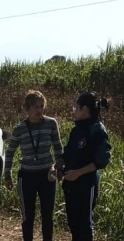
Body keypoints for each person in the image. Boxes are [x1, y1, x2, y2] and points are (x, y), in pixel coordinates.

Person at [4, 90, 63, 241]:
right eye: (35, 107)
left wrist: (59, 169)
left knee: (47, 215)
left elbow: (58, 148)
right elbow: (10, 152)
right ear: (27, 108)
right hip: (27, 176)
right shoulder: (19, 129)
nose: (39, 110)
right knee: (27, 216)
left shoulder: (51, 124)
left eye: (41, 106)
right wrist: (7, 175)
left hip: (47, 175)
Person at [55, 92, 112, 241]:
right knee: (73, 224)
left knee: (84, 226)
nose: (73, 110)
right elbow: (68, 153)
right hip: (70, 185)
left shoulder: (97, 130)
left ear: (85, 109)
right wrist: (59, 166)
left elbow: (102, 160)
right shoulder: (77, 129)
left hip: (86, 185)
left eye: (76, 107)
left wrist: (78, 173)